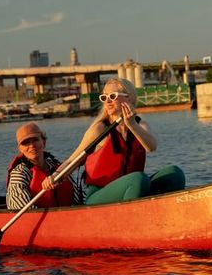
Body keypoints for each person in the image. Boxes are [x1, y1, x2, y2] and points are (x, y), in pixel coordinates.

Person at [47, 77, 185, 205]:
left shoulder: (140, 125)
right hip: (99, 195)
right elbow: (73, 160)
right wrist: (55, 176)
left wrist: (131, 125)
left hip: (133, 187)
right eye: (104, 97)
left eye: (112, 96)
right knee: (138, 179)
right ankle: (130, 220)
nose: (107, 101)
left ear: (129, 99)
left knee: (174, 173)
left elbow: (152, 147)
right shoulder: (99, 129)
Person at [6, 122, 82, 211]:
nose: (32, 145)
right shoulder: (19, 173)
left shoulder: (57, 167)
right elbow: (23, 210)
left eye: (35, 140)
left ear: (44, 142)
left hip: (68, 217)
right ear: (20, 149)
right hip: (39, 220)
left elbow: (80, 198)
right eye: (26, 143)